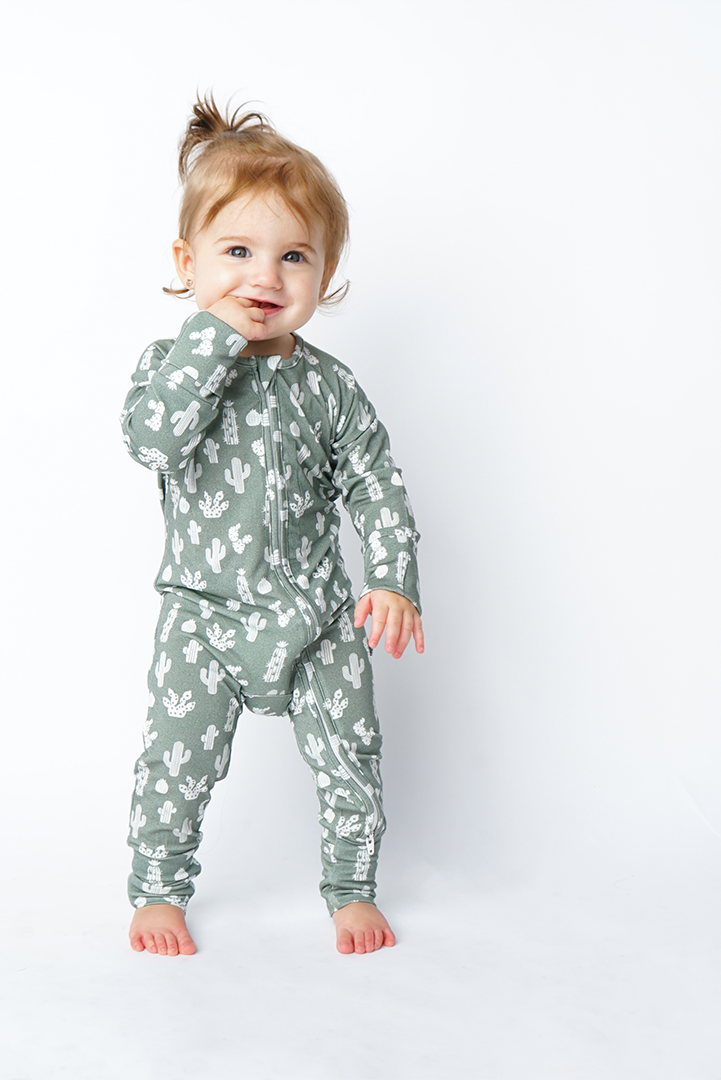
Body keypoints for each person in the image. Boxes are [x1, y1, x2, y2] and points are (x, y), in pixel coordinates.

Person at [120, 96, 424, 956]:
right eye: (238, 252)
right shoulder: (170, 365)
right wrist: (211, 343)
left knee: (350, 761)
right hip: (203, 618)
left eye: (294, 256)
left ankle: (351, 890)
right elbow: (151, 439)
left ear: (324, 278)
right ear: (187, 262)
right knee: (174, 768)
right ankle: (157, 891)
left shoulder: (330, 387)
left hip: (317, 619)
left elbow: (377, 484)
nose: (265, 276)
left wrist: (393, 578)